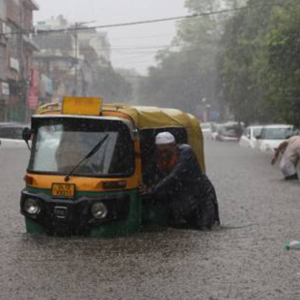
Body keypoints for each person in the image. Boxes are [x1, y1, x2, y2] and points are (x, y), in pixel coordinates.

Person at [143, 132, 220, 230]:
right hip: (184, 196)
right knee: (182, 226)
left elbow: (174, 175)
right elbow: (148, 171)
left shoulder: (186, 152)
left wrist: (152, 190)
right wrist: (142, 183)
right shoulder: (158, 155)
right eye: (160, 150)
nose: (163, 154)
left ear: (173, 145)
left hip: (202, 195)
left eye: (166, 150)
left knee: (205, 227)